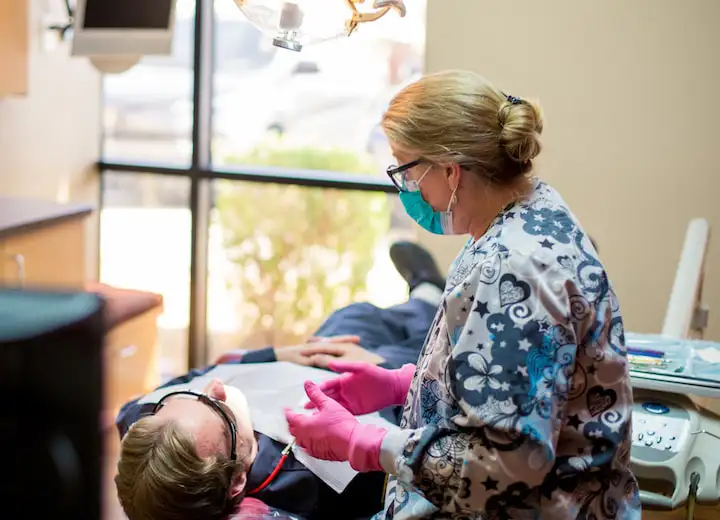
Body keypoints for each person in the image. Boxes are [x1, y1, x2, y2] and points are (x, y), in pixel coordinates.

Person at [284, 70, 640, 520]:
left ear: (450, 170)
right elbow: (508, 380)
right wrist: (405, 384)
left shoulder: (515, 267)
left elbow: (505, 463)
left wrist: (366, 443)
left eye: (405, 170)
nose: (406, 188)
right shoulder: (528, 211)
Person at [114, 241, 444, 520]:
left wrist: (278, 354)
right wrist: (384, 369)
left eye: (192, 396)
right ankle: (429, 292)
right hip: (374, 389)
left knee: (352, 316)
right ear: (237, 482)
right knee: (414, 342)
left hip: (298, 367)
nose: (214, 388)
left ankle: (421, 303)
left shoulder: (140, 419)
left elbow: (201, 374)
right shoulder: (308, 484)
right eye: (222, 412)